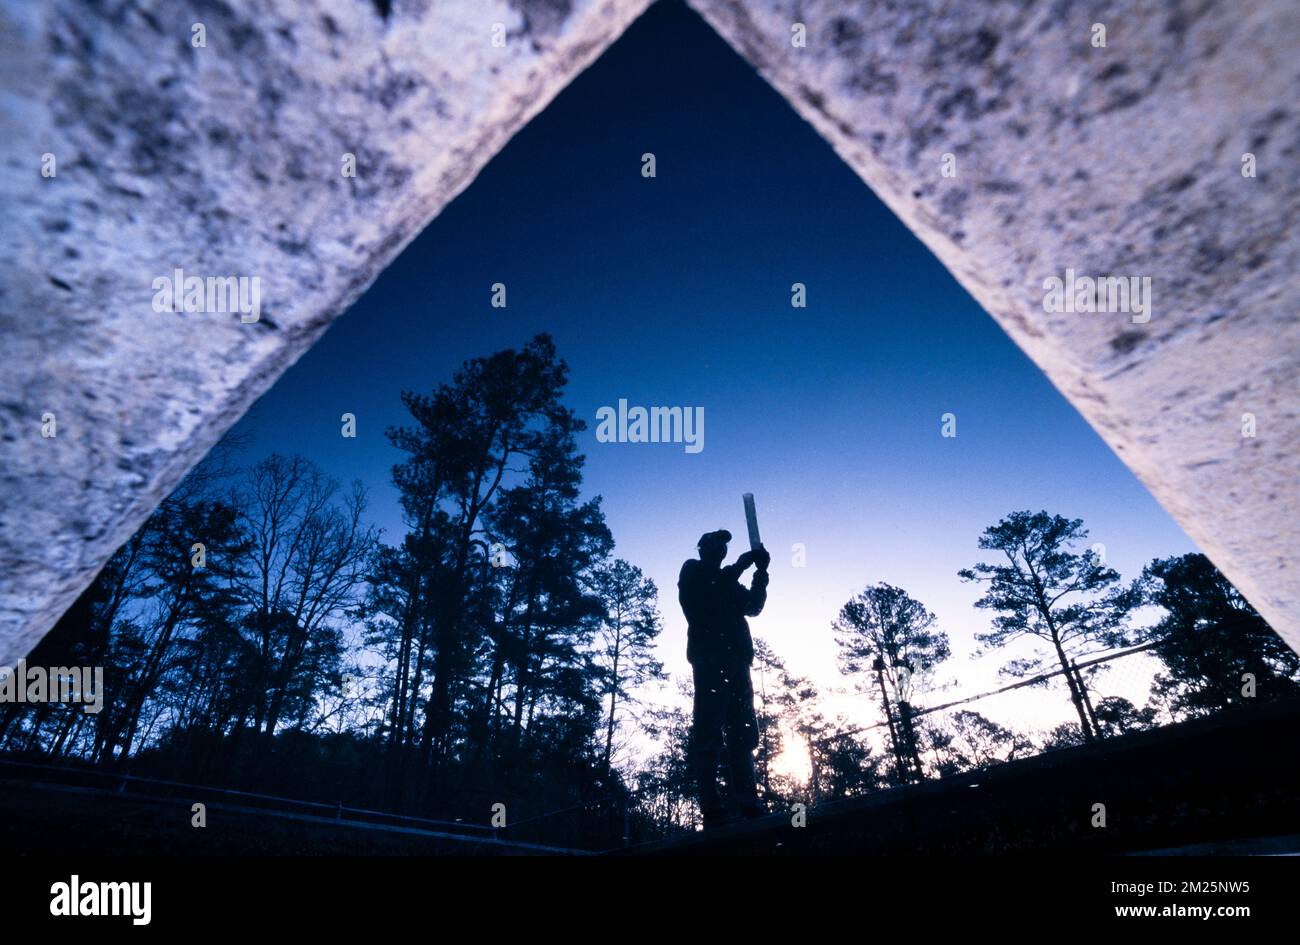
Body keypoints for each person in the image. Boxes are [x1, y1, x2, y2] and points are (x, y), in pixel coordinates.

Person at [678, 529, 771, 828]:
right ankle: (712, 809)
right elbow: (708, 590)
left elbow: (753, 607)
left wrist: (761, 574)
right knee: (709, 734)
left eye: (725, 543)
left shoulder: (729, 582)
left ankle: (748, 803)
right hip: (710, 661)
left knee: (743, 734)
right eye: (716, 541)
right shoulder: (693, 571)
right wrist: (744, 564)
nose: (722, 546)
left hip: (738, 662)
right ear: (703, 547)